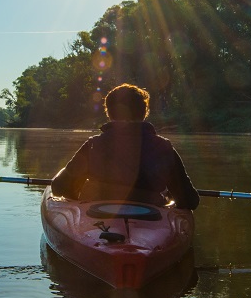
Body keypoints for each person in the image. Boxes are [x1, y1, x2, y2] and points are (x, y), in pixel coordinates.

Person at [51, 83, 199, 209]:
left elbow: (59, 187)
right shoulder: (164, 148)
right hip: (150, 222)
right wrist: (167, 197)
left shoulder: (93, 145)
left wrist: (78, 202)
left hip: (98, 220)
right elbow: (189, 201)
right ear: (144, 113)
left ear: (109, 113)